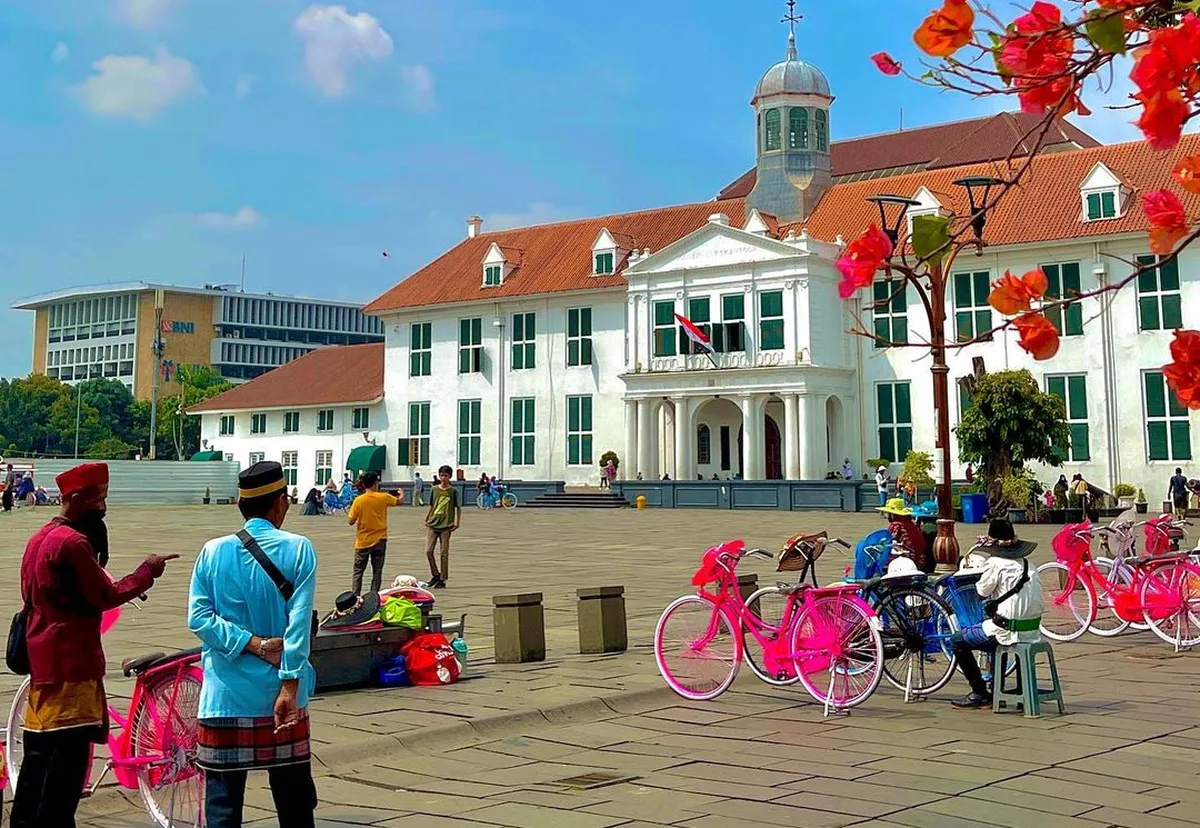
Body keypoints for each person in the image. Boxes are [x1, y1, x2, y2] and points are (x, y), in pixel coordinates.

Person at [12, 462, 177, 828]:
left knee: (38, 759)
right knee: (68, 766)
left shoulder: (39, 538)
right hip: (72, 666)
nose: (103, 505)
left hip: (43, 664)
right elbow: (106, 595)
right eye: (98, 498)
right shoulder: (72, 543)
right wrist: (146, 572)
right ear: (77, 498)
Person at [188, 460, 318, 828]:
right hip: (283, 696)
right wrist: (290, 687)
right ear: (280, 503)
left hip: (225, 699)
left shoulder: (212, 551)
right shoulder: (298, 549)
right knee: (295, 804)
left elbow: (198, 619)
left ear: (241, 506)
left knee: (223, 807)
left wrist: (251, 643)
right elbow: (298, 624)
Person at [950, 519, 1044, 709]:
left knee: (957, 641)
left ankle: (979, 691)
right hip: (1032, 630)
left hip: (1006, 630)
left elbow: (981, 592)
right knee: (1001, 634)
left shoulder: (995, 563)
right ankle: (1020, 689)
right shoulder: (1029, 565)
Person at [346, 471, 402, 595]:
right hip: (380, 539)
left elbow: (350, 521)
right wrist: (401, 493)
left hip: (363, 541)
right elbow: (399, 501)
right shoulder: (383, 497)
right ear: (375, 483)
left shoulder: (359, 500)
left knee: (358, 571)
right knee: (377, 571)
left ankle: (355, 596)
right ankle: (373, 595)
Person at [424, 465, 461, 588]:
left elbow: (458, 507)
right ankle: (435, 574)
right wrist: (427, 518)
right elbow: (432, 505)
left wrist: (457, 522)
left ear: (450, 477)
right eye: (441, 475)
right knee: (428, 551)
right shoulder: (434, 489)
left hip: (446, 525)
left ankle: (442, 578)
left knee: (444, 552)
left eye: (446, 475)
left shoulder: (453, 491)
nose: (443, 478)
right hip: (433, 523)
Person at [878, 498, 934, 573]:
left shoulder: (897, 525)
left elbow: (887, 542)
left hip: (908, 562)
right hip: (920, 560)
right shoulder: (910, 524)